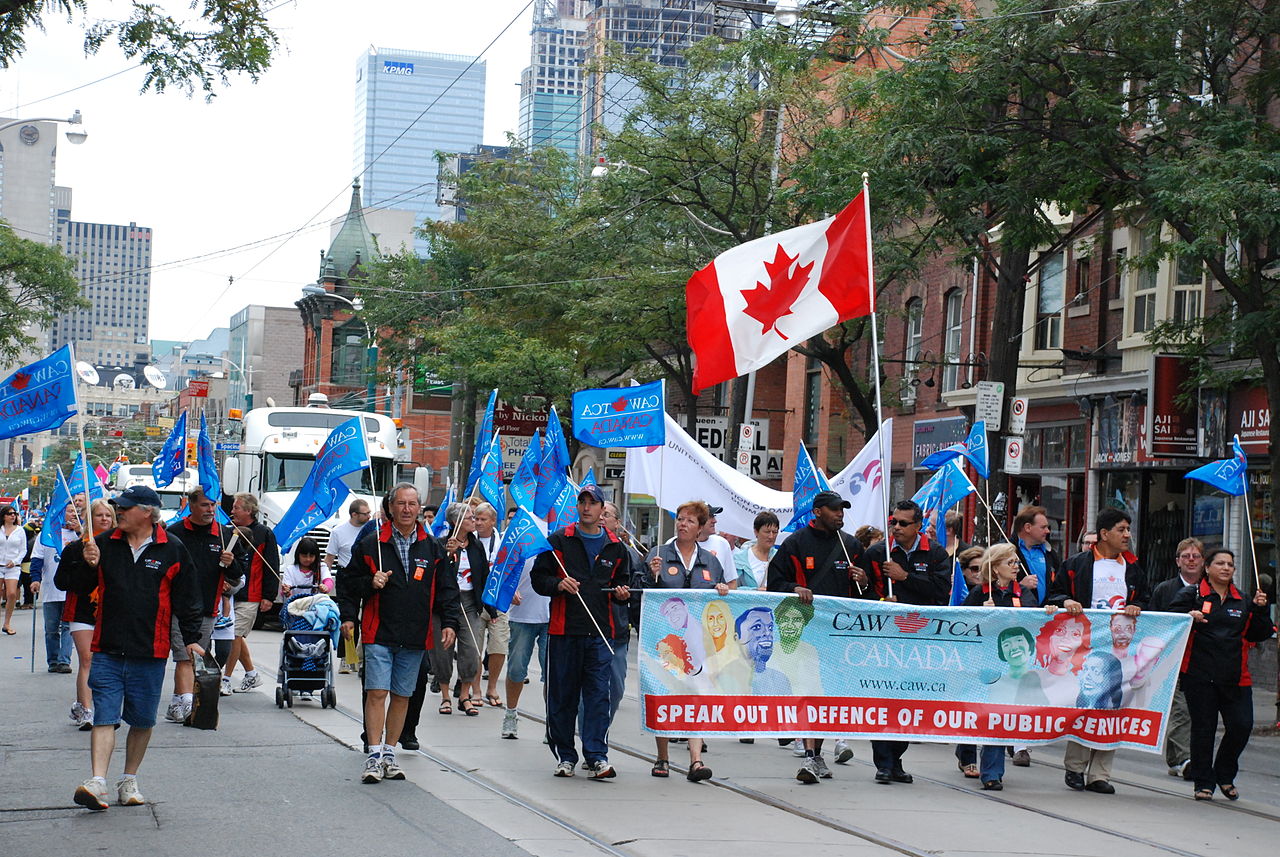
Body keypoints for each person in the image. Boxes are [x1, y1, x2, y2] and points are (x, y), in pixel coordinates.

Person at [57, 486, 203, 811]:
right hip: (106, 647)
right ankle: (97, 781)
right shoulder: (104, 544)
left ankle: (128, 779)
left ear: (148, 512)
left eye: (125, 507)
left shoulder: (172, 549)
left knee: (142, 720)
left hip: (150, 650)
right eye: (116, 507)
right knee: (104, 716)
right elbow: (74, 586)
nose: (118, 512)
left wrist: (192, 638)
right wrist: (86, 562)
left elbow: (189, 598)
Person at [338, 483, 460, 784]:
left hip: (416, 634)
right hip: (379, 631)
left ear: (420, 508)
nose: (407, 509)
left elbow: (447, 589)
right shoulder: (371, 544)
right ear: (390, 508)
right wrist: (366, 590)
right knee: (377, 692)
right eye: (401, 504)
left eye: (412, 504)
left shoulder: (432, 548)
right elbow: (348, 583)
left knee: (402, 695)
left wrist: (450, 623)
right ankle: (374, 753)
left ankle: (390, 752)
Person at [530, 484, 631, 779]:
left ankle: (597, 755)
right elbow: (540, 579)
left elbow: (622, 585)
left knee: (599, 696)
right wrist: (558, 585)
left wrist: (622, 594)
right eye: (582, 502)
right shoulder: (559, 540)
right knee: (563, 697)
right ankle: (565, 755)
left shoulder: (616, 546)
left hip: (600, 634)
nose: (587, 507)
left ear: (603, 510)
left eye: (593, 503)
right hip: (564, 632)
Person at [1048, 507, 1148, 795]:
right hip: (1086, 650)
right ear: (1104, 534)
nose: (1127, 535)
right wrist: (1066, 601)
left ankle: (1100, 774)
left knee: (1114, 706)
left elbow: (1146, 599)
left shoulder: (1133, 568)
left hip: (1121, 653)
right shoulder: (1076, 564)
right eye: (1121, 529)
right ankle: (1076, 767)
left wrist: (1137, 606)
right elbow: (1055, 593)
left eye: (1128, 529)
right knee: (1087, 704)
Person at [768, 490, 868, 781]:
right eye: (835, 509)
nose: (840, 514)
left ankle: (818, 753)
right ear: (817, 512)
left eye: (842, 510)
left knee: (827, 696)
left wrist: (863, 579)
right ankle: (810, 757)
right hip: (805, 633)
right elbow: (775, 582)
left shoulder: (850, 545)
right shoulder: (795, 543)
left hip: (839, 636)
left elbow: (868, 594)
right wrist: (793, 588)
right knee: (808, 691)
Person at [858, 498, 951, 785]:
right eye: (893, 522)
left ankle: (897, 758)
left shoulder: (934, 553)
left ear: (919, 525)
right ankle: (883, 763)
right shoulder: (877, 553)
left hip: (919, 640)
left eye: (903, 523)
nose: (896, 527)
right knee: (884, 697)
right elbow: (862, 595)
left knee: (909, 701)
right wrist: (883, 600)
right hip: (884, 640)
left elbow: (941, 592)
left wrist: (905, 577)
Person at [1169, 548, 1272, 801]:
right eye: (1220, 563)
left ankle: (1224, 774)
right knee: (1203, 729)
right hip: (1199, 675)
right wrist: (1188, 616)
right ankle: (1203, 782)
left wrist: (1261, 610)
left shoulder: (1244, 600)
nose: (1226, 568)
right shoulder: (1191, 594)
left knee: (1241, 726)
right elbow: (1169, 619)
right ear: (1208, 568)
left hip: (1236, 676)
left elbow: (1259, 633)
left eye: (1230, 564)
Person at [639, 500, 726, 782]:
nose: (682, 524)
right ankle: (662, 757)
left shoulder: (710, 561)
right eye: (680, 519)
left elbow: (718, 598)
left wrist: (722, 589)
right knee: (665, 695)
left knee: (696, 697)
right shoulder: (659, 554)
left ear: (701, 528)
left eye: (690, 520)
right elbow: (641, 591)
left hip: (698, 645)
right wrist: (651, 576)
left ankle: (696, 761)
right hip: (663, 642)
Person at [961, 543, 1041, 789]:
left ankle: (992, 773)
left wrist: (1047, 611)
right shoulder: (980, 593)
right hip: (984, 664)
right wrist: (980, 615)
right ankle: (965, 754)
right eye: (1011, 563)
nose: (1016, 567)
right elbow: (961, 624)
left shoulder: (1022, 593)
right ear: (995, 568)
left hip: (1010, 667)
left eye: (1017, 562)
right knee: (976, 714)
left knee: (998, 716)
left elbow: (1034, 620)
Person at [164, 488, 243, 722]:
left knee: (195, 656)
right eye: (205, 505)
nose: (210, 510)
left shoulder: (224, 534)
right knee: (185, 656)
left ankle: (178, 701)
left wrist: (231, 563)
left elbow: (237, 576)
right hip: (179, 606)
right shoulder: (175, 533)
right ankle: (188, 705)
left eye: (213, 505)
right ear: (191, 505)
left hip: (208, 606)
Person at [55, 499, 116, 730]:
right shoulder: (74, 548)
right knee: (87, 659)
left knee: (108, 662)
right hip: (82, 611)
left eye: (108, 515)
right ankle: (87, 711)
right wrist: (86, 564)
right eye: (99, 515)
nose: (104, 519)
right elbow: (62, 582)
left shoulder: (119, 547)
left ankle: (91, 705)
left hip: (112, 612)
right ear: (89, 519)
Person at [428, 502, 491, 716]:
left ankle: (464, 694)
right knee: (443, 649)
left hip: (470, 602)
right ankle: (445, 695)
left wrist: (490, 609)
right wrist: (449, 556)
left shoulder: (476, 546)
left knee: (472, 650)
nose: (474, 521)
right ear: (456, 522)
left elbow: (484, 577)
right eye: (470, 518)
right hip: (445, 603)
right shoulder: (440, 544)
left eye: (474, 517)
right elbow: (437, 575)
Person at [1148, 537, 1204, 777]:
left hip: (1203, 659)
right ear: (1177, 562)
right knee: (1180, 710)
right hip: (1173, 658)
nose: (1191, 561)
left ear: (1203, 562)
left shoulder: (1210, 588)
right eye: (1186, 557)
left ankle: (1177, 759)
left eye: (1196, 557)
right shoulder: (1165, 589)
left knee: (1195, 710)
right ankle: (1183, 759)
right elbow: (1155, 623)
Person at [223, 492, 279, 695]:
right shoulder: (230, 531)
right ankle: (251, 674)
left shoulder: (264, 533)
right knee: (236, 636)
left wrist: (269, 596)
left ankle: (226, 679)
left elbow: (272, 564)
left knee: (234, 636)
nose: (232, 511)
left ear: (248, 510)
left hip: (252, 595)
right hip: (231, 594)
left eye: (236, 507)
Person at [28, 498, 84, 671]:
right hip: (51, 590)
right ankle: (53, 661)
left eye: (76, 511)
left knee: (68, 626)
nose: (73, 514)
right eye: (69, 511)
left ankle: (64, 660)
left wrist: (79, 532)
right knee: (51, 628)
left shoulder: (81, 535)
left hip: (71, 589)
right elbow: (37, 558)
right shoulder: (48, 534)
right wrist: (35, 579)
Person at [325, 499, 372, 674]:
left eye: (369, 513)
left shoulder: (371, 530)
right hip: (346, 575)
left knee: (368, 616)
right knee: (349, 618)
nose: (368, 516)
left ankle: (363, 657)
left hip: (366, 576)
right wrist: (324, 580)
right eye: (365, 513)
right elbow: (329, 558)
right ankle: (346, 658)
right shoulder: (338, 532)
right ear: (354, 515)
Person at [472, 502, 509, 708]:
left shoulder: (503, 542)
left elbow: (510, 569)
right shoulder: (469, 542)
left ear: (493, 521)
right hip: (475, 602)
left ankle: (492, 686)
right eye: (476, 519)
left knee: (498, 646)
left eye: (482, 519)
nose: (478, 523)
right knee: (475, 648)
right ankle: (475, 688)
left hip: (498, 602)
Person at [733, 511, 779, 590]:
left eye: (775, 532)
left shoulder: (780, 557)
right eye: (767, 532)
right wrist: (755, 591)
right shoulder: (739, 558)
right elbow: (732, 588)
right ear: (756, 532)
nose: (771, 536)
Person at [0, 504, 25, 634]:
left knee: (11, 593)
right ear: (3, 516)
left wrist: (15, 561)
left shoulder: (20, 530)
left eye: (14, 513)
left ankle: (7, 623)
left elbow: (23, 550)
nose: (13, 516)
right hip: (0, 565)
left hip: (13, 566)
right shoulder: (0, 529)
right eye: (10, 513)